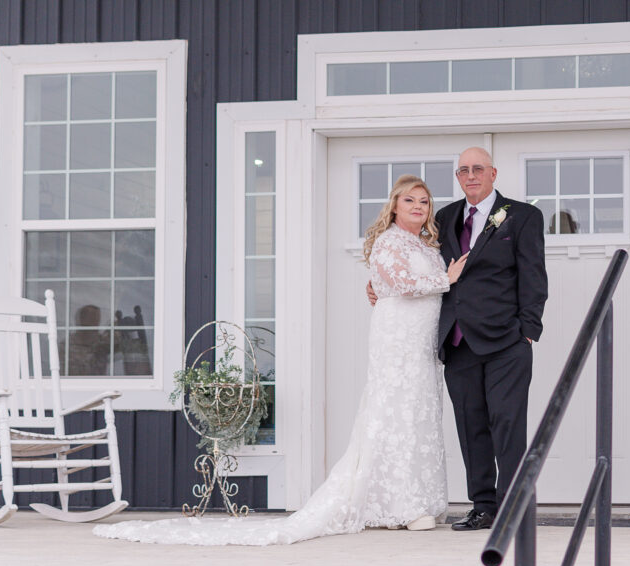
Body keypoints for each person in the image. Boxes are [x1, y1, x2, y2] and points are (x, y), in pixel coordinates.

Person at [93, 175, 467, 545]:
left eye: (424, 201)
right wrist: (447, 279)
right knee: (393, 411)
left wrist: (437, 281)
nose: (418, 207)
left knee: (418, 410)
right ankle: (398, 505)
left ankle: (418, 499)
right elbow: (401, 284)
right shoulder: (388, 241)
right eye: (410, 200)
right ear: (395, 205)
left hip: (420, 340)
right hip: (396, 337)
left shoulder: (425, 244)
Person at [375, 148, 547, 531]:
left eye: (478, 169)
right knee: (471, 428)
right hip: (457, 342)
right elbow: (405, 256)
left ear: (493, 173)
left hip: (506, 341)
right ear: (458, 176)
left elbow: (534, 276)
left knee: (508, 424)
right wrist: (376, 285)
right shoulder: (444, 218)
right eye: (464, 170)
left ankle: (515, 505)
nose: (471, 175)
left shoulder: (523, 216)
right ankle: (483, 506)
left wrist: (528, 332)